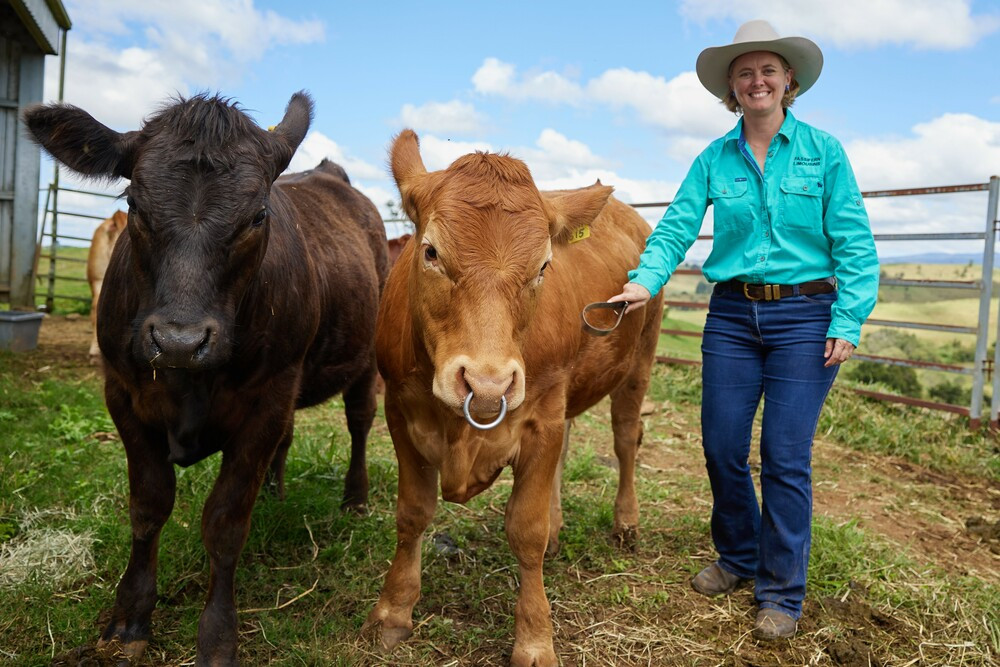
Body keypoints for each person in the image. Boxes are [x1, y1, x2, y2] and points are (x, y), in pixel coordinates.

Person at [608, 19, 879, 640]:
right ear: (732, 90)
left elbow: (855, 243)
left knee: (785, 457)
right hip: (730, 315)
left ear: (789, 81)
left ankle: (781, 592)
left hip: (806, 318)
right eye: (744, 73)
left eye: (767, 70)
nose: (757, 81)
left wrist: (848, 317)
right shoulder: (713, 158)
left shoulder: (824, 152)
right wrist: (645, 281)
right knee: (722, 447)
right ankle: (738, 555)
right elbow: (675, 227)